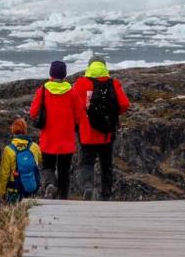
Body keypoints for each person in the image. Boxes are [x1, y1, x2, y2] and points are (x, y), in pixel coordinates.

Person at [72, 56, 129, 200]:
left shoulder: (81, 83)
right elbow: (124, 104)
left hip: (87, 133)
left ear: (89, 66)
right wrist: (110, 114)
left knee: (87, 162)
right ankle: (106, 195)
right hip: (107, 134)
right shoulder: (113, 83)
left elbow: (74, 105)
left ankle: (88, 187)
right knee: (106, 164)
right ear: (104, 66)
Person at [28, 61, 77, 199]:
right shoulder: (71, 92)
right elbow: (79, 114)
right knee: (64, 169)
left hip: (49, 136)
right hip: (66, 137)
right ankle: (63, 196)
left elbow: (33, 112)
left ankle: (50, 183)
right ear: (64, 74)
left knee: (48, 165)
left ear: (51, 73)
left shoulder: (43, 90)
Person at [0, 118, 43, 204]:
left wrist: (1, 193)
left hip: (14, 189)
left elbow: (4, 173)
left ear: (13, 131)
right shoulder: (34, 147)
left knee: (14, 216)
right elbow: (39, 161)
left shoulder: (9, 149)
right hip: (31, 187)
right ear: (25, 130)